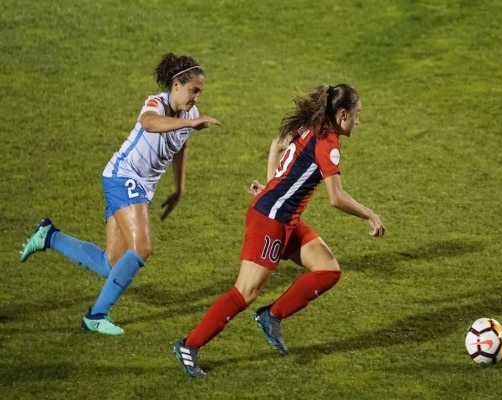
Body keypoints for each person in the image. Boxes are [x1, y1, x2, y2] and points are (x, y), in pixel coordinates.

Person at [173, 83, 386, 377]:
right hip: (271, 221)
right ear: (343, 114)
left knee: (328, 270)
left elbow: (277, 144)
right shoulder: (328, 143)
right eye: (357, 114)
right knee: (245, 292)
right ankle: (189, 345)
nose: (358, 121)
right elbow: (336, 198)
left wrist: (271, 186)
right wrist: (369, 214)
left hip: (284, 218)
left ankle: (271, 316)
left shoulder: (310, 125)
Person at [19, 53, 221, 336]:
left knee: (111, 263)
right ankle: (96, 316)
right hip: (123, 176)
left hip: (142, 187)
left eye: (200, 92)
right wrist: (188, 124)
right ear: (176, 84)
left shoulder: (190, 115)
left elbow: (181, 146)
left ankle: (49, 236)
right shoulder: (157, 103)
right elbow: (150, 123)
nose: (196, 98)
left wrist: (179, 187)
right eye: (193, 90)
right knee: (142, 248)